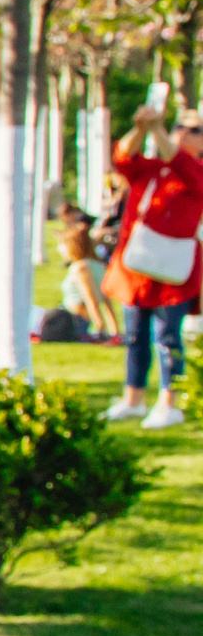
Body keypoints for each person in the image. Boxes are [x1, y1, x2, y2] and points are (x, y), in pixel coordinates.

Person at [102, 103, 202, 427]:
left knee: (168, 337)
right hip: (136, 268)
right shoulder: (152, 168)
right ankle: (133, 398)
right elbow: (123, 157)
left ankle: (169, 403)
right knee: (134, 335)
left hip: (172, 272)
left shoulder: (196, 171)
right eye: (180, 126)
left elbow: (181, 164)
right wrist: (141, 127)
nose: (184, 133)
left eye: (195, 130)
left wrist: (157, 129)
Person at [55, 203, 119, 341]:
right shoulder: (98, 265)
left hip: (72, 322)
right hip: (76, 321)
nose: (59, 249)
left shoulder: (81, 268)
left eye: (62, 245)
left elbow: (91, 299)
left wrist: (100, 328)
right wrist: (114, 329)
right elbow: (105, 300)